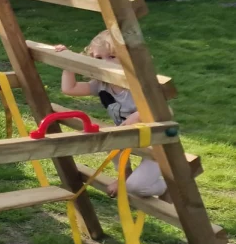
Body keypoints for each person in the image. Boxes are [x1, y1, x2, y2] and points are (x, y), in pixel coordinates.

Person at [54, 31, 167, 198]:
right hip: (127, 136)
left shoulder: (139, 84)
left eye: (112, 57)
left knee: (135, 188)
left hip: (158, 144)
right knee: (110, 136)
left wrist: (138, 116)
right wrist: (69, 64)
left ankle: (167, 187)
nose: (105, 63)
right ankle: (124, 174)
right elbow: (70, 89)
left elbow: (165, 111)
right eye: (98, 58)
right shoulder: (102, 84)